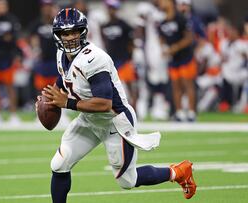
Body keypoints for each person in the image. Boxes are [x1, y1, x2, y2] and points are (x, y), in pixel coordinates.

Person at [37, 8, 196, 203]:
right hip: (89, 119)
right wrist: (50, 95)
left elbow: (104, 103)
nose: (69, 37)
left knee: (128, 181)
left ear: (83, 32)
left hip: (114, 121)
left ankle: (178, 172)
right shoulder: (61, 54)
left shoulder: (93, 59)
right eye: (65, 33)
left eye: (74, 32)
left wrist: (67, 103)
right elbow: (66, 78)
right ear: (57, 35)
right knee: (59, 163)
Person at [157, 0, 197, 121]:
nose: (161, 4)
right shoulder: (162, 22)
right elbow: (162, 38)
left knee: (188, 84)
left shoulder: (181, 18)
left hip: (186, 57)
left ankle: (191, 112)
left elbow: (189, 38)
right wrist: (164, 49)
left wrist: (176, 47)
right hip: (173, 59)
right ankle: (179, 112)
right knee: (175, 85)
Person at [101, 0, 138, 109]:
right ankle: (116, 110)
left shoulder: (124, 25)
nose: (111, 10)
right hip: (111, 61)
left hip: (124, 59)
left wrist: (130, 58)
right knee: (113, 87)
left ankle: (134, 110)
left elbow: (131, 42)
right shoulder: (104, 25)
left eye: (113, 8)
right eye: (109, 8)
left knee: (130, 85)